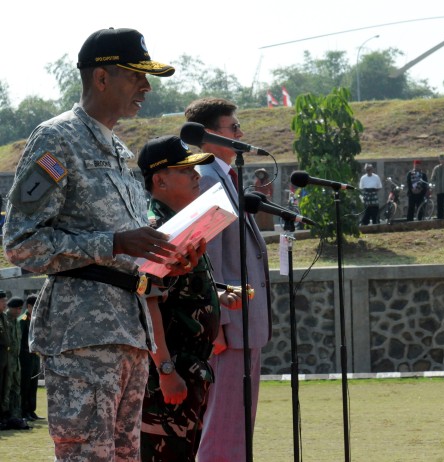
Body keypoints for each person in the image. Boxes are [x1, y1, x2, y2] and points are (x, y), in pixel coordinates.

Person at [1, 28, 199, 460]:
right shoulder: (56, 142)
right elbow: (21, 244)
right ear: (102, 78)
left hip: (128, 330)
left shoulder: (120, 152)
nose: (146, 87)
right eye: (136, 76)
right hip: (82, 335)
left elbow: (129, 246)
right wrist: (112, 242)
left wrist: (170, 259)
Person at [136, 135, 239, 461]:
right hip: (168, 375)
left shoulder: (180, 223)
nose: (196, 176)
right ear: (160, 179)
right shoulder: (155, 229)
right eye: (185, 170)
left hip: (190, 367)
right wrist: (165, 371)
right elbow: (146, 302)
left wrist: (217, 295)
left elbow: (175, 289)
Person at [184, 97, 272, 462]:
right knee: (223, 428)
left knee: (236, 426)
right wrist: (215, 325)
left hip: (243, 323)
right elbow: (209, 258)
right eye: (233, 128)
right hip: (229, 326)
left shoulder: (223, 176)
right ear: (208, 135)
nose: (241, 134)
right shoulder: (206, 179)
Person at [19, 294, 42, 422]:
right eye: (35, 306)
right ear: (28, 306)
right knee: (25, 385)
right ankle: (24, 411)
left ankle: (32, 410)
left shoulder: (35, 320)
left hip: (35, 357)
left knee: (33, 385)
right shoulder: (23, 320)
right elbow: (20, 341)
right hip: (26, 357)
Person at [4, 297, 24, 426]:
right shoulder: (4, 320)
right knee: (5, 390)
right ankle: (5, 417)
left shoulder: (16, 321)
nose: (18, 311)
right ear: (9, 307)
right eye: (16, 308)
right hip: (6, 362)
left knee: (16, 390)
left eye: (20, 308)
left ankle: (15, 416)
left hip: (15, 362)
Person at [0, 291, 8, 426]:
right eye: (3, 301)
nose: (5, 303)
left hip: (4, 358)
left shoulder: (3, 317)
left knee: (3, 388)